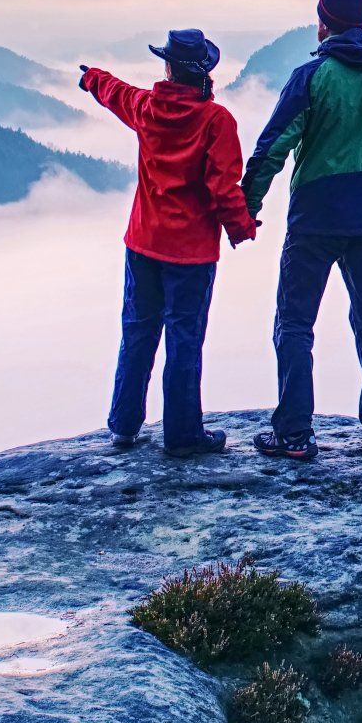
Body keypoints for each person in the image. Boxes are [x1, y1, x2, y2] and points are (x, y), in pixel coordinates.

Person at [242, 0, 362, 460]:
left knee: (295, 322)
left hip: (314, 219)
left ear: (324, 24)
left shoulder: (311, 76)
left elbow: (272, 147)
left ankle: (295, 435)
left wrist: (246, 207)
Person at [79, 29, 257, 456]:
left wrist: (92, 77)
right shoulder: (216, 121)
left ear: (168, 67)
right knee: (184, 338)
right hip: (191, 253)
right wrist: (241, 227)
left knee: (138, 331)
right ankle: (182, 435)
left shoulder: (147, 108)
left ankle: (123, 425)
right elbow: (223, 185)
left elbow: (114, 92)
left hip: (143, 242)